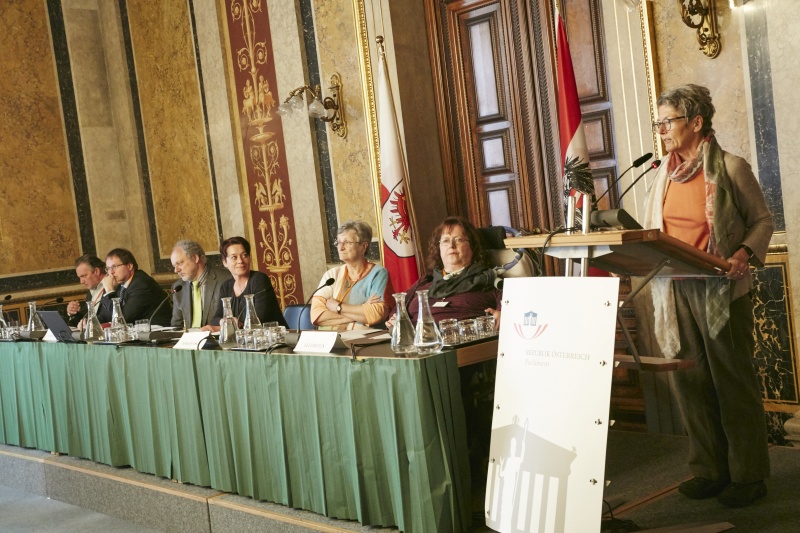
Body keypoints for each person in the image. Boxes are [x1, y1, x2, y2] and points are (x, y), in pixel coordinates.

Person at [642, 84, 773, 507]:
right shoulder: (662, 171)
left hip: (721, 288)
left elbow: (762, 221)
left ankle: (748, 475)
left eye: (668, 120)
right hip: (675, 288)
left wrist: (742, 254)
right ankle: (709, 469)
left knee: (732, 383)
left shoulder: (731, 167)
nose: (661, 129)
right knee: (690, 380)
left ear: (696, 122)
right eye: (659, 121)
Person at [387, 216, 501, 326]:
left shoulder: (490, 280)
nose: (451, 245)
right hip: (417, 340)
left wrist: (504, 315)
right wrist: (395, 320)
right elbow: (397, 312)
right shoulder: (426, 281)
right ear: (439, 248)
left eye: (459, 240)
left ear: (473, 246)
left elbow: (510, 310)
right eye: (445, 240)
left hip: (464, 341)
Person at [310, 221, 391, 330]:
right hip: (328, 341)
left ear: (363, 246)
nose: (340, 248)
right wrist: (362, 310)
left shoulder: (378, 273)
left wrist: (337, 307)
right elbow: (316, 316)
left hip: (361, 342)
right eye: (338, 242)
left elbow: (376, 314)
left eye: (347, 242)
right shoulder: (331, 275)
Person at [209, 236, 287, 328]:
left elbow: (258, 320)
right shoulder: (226, 286)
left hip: (273, 338)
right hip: (243, 340)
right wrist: (223, 321)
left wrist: (232, 323)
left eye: (244, 255)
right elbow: (216, 319)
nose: (240, 261)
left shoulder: (259, 280)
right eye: (234, 257)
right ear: (225, 262)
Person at [98, 248, 172, 326]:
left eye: (115, 267)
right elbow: (108, 314)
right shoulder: (119, 283)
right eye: (108, 268)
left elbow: (123, 319)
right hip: (138, 332)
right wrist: (93, 321)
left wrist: (109, 291)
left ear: (129, 266)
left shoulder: (141, 284)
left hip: (157, 333)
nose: (111, 272)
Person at [170, 240, 231, 329]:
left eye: (179, 263)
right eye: (174, 266)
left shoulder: (226, 279)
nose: (176, 270)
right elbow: (176, 326)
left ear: (195, 258)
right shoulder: (179, 287)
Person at [66, 254, 111, 327]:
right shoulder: (91, 291)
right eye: (79, 277)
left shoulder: (112, 286)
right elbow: (85, 319)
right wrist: (72, 312)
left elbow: (110, 315)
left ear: (96, 271)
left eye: (84, 276)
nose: (81, 282)